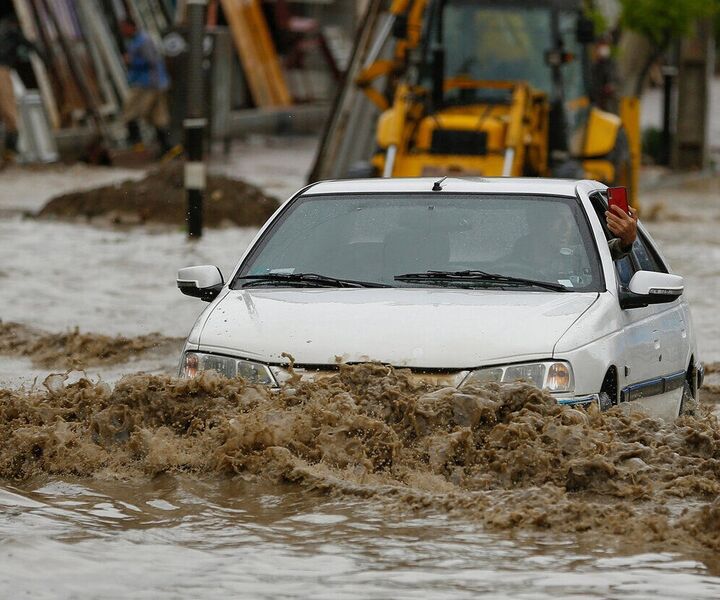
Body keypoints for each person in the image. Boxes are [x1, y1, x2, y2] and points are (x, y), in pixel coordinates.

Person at [119, 19, 172, 157]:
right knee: (157, 116)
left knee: (131, 111)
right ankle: (167, 147)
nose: (122, 31)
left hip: (148, 84)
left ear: (131, 27)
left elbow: (152, 61)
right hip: (154, 82)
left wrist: (131, 61)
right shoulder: (137, 41)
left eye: (124, 28)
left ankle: (137, 144)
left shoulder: (143, 41)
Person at [0, 15, 38, 165]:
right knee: (10, 114)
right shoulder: (11, 31)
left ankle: (9, 153)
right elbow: (30, 46)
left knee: (8, 114)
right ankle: (10, 154)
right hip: (2, 71)